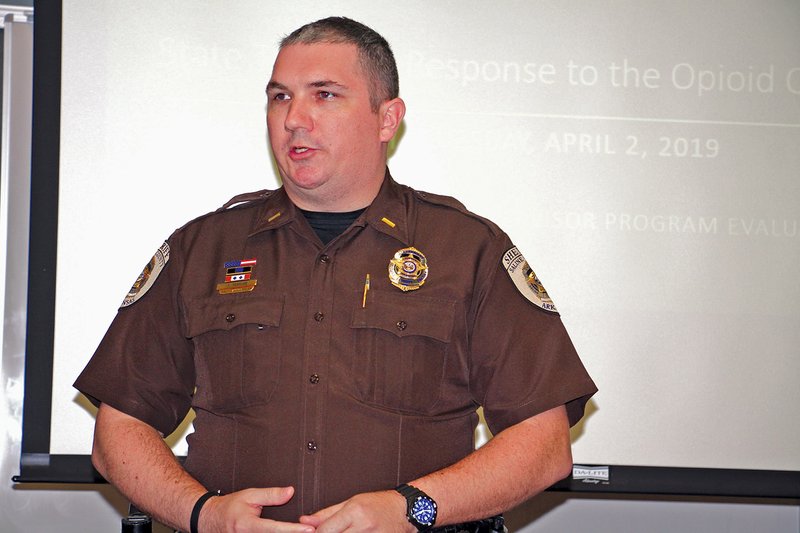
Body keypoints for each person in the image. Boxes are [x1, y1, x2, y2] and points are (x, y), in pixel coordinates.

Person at [75, 16, 596, 533]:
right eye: (280, 97)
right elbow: (118, 432)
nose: (294, 118)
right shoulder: (203, 248)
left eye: (323, 95)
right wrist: (204, 515)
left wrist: (410, 508)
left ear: (387, 119)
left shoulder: (466, 250)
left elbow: (543, 445)